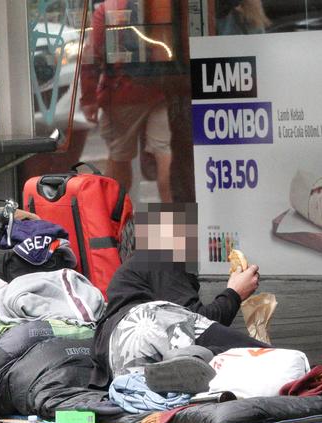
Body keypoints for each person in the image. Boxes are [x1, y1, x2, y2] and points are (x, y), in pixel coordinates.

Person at [90, 204, 265, 387]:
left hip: (116, 360)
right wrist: (235, 293)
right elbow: (200, 323)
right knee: (264, 354)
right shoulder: (158, 257)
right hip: (144, 336)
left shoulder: (130, 275)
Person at [80, 0, 172, 201]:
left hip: (122, 95)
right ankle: (172, 231)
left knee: (120, 158)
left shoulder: (109, 8)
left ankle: (113, 226)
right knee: (164, 152)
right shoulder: (163, 4)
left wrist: (89, 99)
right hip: (162, 90)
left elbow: (92, 54)